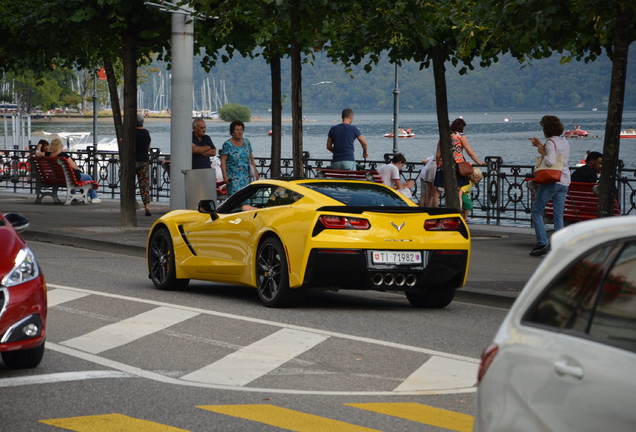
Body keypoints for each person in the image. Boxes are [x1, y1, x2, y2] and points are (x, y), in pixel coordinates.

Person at [529, 115, 570, 257]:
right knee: (558, 216)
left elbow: (550, 161)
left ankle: (542, 242)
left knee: (537, 211)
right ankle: (559, 245)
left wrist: (541, 151)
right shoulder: (564, 141)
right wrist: (541, 145)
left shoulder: (551, 142)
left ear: (547, 129)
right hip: (564, 181)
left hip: (552, 181)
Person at [434, 118, 484, 204]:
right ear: (461, 127)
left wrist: (438, 163)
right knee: (457, 191)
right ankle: (457, 212)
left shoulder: (444, 136)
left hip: (443, 165)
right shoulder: (460, 136)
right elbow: (470, 151)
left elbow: (438, 154)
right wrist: (478, 162)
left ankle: (448, 212)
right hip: (457, 165)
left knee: (448, 192)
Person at [37, 137, 101, 203]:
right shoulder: (64, 155)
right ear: (59, 146)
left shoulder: (49, 155)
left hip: (59, 178)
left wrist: (39, 145)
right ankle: (94, 197)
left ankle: (80, 195)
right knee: (88, 177)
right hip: (70, 178)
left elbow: (37, 153)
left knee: (73, 177)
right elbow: (75, 167)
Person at [220, 120, 260, 195]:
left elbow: (251, 158)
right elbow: (223, 161)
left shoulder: (246, 142)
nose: (240, 132)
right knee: (234, 199)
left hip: (245, 176)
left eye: (241, 130)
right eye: (237, 130)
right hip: (233, 177)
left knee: (245, 198)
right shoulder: (227, 145)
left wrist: (255, 171)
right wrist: (225, 176)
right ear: (232, 132)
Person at [135, 113, 152, 216]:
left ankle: (131, 203)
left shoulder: (131, 133)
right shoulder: (146, 133)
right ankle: (147, 206)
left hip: (132, 160)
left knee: (129, 183)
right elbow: (148, 148)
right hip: (144, 160)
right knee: (144, 184)